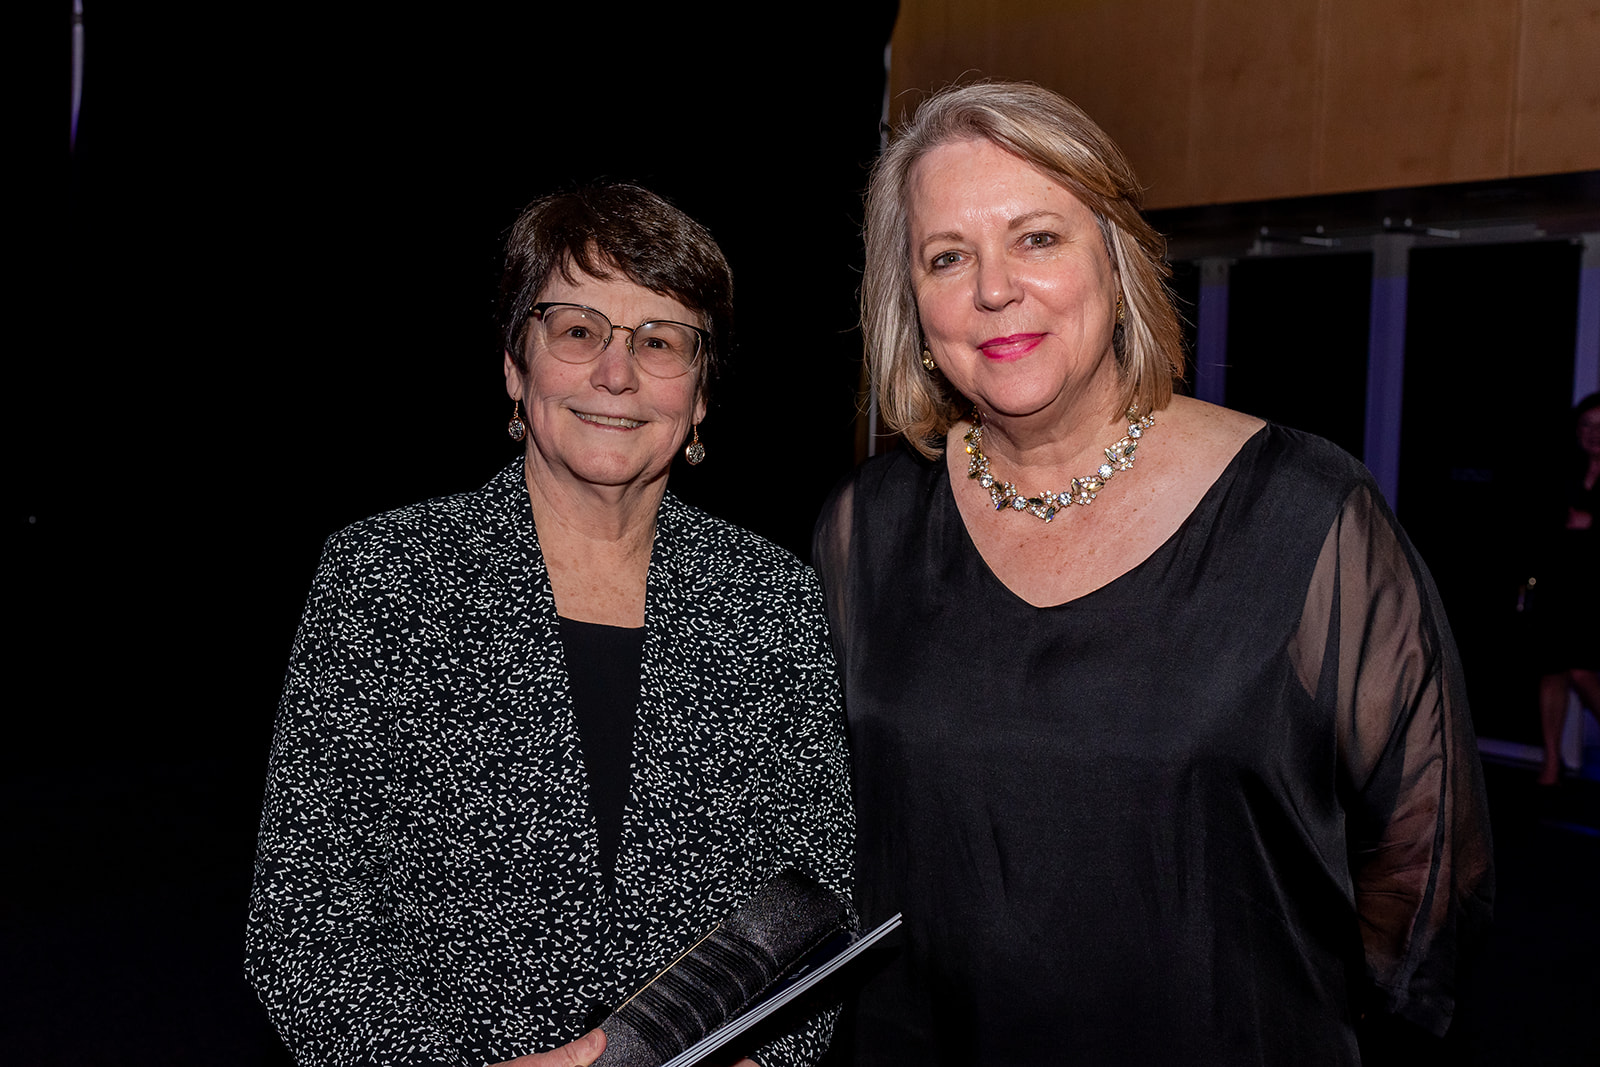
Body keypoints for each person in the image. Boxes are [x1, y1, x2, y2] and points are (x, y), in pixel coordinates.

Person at [813, 82, 1493, 1065]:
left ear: (1115, 257)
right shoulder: (865, 528)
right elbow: (823, 839)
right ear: (911, 303)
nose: (993, 288)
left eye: (1036, 237)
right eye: (946, 256)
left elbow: (1426, 875)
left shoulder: (1304, 512)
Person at [247, 184, 854, 1067]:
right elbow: (304, 919)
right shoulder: (383, 578)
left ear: (700, 395)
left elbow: (814, 898)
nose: (618, 373)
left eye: (660, 341)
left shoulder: (774, 599)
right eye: (578, 331)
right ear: (515, 365)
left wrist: (763, 1060)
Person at [1535, 392, 1600, 785]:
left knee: (1581, 671)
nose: (1594, 433)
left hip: (1595, 592)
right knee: (1553, 671)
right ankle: (1551, 764)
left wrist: (1593, 525)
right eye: (1586, 425)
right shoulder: (1565, 472)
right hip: (1560, 586)